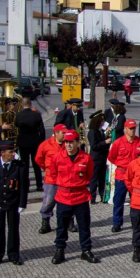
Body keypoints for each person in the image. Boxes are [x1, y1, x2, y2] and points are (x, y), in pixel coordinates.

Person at [48, 131, 99, 265]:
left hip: (80, 196)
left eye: (71, 142)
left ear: (78, 142)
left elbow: (89, 175)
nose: (68, 145)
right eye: (66, 142)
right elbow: (52, 174)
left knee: (84, 226)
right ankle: (60, 250)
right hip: (64, 196)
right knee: (61, 227)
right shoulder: (57, 157)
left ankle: (86, 250)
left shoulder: (86, 158)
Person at [107, 120, 140, 233]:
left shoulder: (139, 142)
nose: (132, 130)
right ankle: (117, 223)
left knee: (136, 200)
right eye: (130, 128)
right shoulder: (118, 143)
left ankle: (135, 221)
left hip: (135, 176)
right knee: (118, 200)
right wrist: (121, 165)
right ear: (125, 129)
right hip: (121, 175)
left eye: (133, 128)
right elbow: (111, 157)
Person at [35, 124, 67, 234]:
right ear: (56, 133)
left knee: (68, 201)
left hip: (66, 178)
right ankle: (45, 222)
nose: (65, 135)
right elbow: (39, 159)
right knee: (48, 201)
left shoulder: (68, 144)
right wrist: (48, 169)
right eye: (63, 133)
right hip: (51, 179)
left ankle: (69, 222)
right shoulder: (45, 145)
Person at [14, 97, 45, 192]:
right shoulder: (37, 115)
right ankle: (39, 185)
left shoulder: (19, 115)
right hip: (35, 141)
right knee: (36, 164)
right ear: (30, 104)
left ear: (22, 105)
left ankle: (25, 186)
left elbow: (16, 125)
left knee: (25, 165)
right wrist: (41, 142)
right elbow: (42, 130)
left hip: (23, 142)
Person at [87, 111, 111, 204]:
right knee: (94, 179)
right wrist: (105, 142)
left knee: (102, 178)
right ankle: (92, 197)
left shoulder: (99, 131)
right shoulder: (92, 132)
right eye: (102, 120)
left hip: (102, 158)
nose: (103, 122)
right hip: (96, 158)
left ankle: (102, 195)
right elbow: (94, 146)